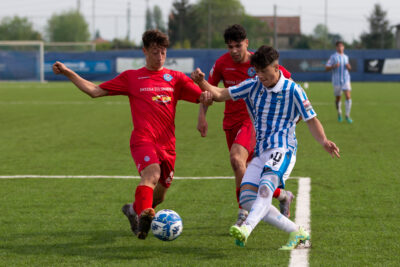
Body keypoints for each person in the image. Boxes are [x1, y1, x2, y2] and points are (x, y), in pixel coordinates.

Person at [52, 30, 204, 240]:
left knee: (158, 195)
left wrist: (202, 94)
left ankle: (134, 210)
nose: (159, 56)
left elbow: (205, 97)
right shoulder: (132, 77)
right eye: (154, 52)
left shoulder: (175, 78)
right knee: (151, 175)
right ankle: (144, 216)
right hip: (143, 140)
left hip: (168, 145)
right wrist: (69, 72)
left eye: (163, 52)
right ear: (144, 51)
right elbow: (95, 91)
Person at [191, 45, 340, 249]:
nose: (260, 76)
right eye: (257, 71)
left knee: (265, 188)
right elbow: (220, 94)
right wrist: (202, 83)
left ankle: (246, 228)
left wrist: (324, 141)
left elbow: (311, 119)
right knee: (247, 199)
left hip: (283, 149)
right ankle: (297, 232)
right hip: (261, 152)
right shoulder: (253, 85)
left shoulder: (293, 89)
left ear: (276, 67)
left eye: (264, 71)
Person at [197, 25, 294, 227]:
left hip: (252, 121)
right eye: (230, 46)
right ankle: (282, 195)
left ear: (246, 43)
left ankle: (243, 212)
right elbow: (212, 91)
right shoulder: (222, 63)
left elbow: (286, 79)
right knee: (248, 170)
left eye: (238, 45)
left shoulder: (258, 62)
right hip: (230, 121)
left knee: (235, 159)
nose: (233, 50)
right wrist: (202, 116)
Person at [326, 41, 353, 123]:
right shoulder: (333, 57)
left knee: (348, 96)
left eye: (341, 46)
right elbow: (327, 67)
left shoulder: (346, 57)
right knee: (338, 98)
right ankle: (339, 113)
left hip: (346, 79)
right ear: (336, 48)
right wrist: (334, 66)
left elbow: (349, 68)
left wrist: (349, 67)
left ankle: (347, 115)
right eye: (338, 46)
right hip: (337, 81)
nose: (340, 48)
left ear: (343, 47)